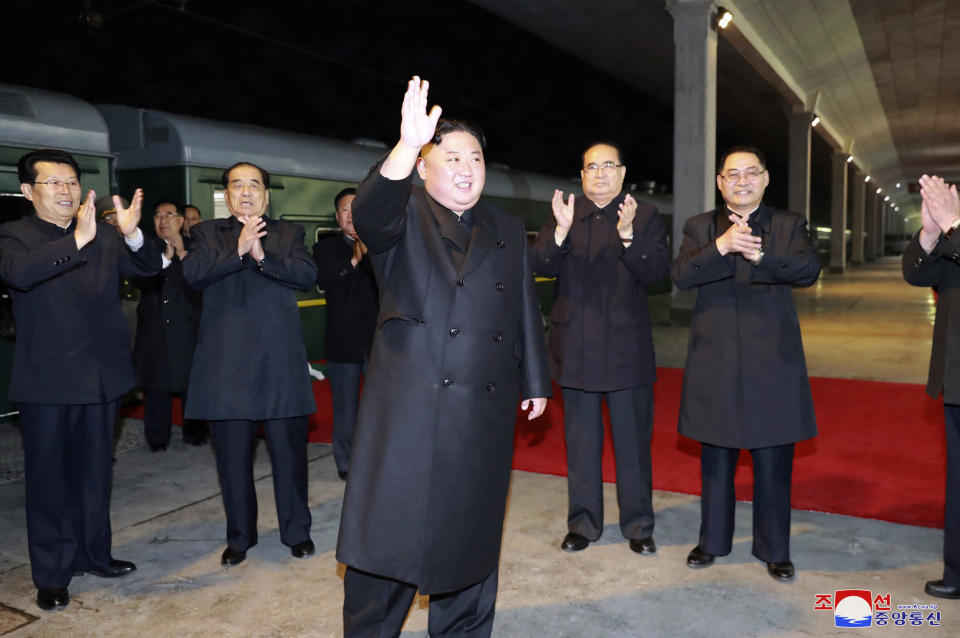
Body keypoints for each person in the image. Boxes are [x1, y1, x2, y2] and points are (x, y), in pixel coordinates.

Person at [336, 77, 551, 637]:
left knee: (470, 539)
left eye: (474, 157)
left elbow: (524, 304)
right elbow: (368, 212)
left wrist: (535, 377)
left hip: (482, 409)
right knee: (389, 542)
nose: (465, 167)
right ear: (425, 169)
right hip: (407, 409)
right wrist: (406, 146)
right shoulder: (402, 213)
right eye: (449, 156)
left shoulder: (503, 226)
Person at [0, 149, 161, 611]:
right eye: (54, 183)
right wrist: (77, 242)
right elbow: (18, 274)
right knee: (49, 481)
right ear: (29, 191)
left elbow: (149, 271)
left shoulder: (106, 235)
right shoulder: (14, 235)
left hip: (102, 379)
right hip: (47, 384)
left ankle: (95, 554)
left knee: (95, 475)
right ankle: (52, 573)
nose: (66, 190)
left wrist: (131, 236)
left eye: (71, 181)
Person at [672, 145, 820, 582]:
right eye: (732, 174)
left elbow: (808, 269)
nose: (741, 181)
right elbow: (681, 275)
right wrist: (720, 247)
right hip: (715, 356)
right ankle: (712, 541)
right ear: (720, 182)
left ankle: (775, 549)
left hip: (772, 358)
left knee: (774, 455)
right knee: (716, 454)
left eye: (750, 173)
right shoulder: (700, 226)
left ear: (765, 178)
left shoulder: (788, 224)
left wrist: (761, 256)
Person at [531, 142, 669, 555]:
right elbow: (540, 266)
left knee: (632, 445)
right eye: (592, 166)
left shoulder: (645, 215)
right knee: (581, 443)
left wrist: (628, 237)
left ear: (623, 173)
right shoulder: (565, 214)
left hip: (627, 351)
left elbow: (657, 272)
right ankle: (583, 523)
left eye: (609, 165)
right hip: (575, 349)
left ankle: (638, 524)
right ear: (582, 174)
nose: (600, 173)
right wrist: (558, 231)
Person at [182, 162, 317, 567]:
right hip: (226, 369)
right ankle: (240, 537)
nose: (245, 191)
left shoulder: (288, 233)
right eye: (236, 185)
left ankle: (297, 532)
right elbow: (192, 274)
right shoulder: (207, 233)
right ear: (226, 193)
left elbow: (306, 274)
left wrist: (262, 257)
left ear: (266, 194)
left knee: (289, 458)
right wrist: (238, 249)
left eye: (253, 184)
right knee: (233, 460)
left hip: (279, 366)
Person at [902, 174, 960, 599]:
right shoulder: (954, 220)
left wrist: (953, 225)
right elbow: (918, 275)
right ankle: (956, 572)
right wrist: (931, 232)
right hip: (956, 371)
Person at [312, 187, 378, 480]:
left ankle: (379, 460)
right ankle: (346, 463)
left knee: (382, 407)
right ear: (337, 217)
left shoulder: (382, 246)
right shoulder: (325, 249)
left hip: (379, 343)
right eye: (344, 210)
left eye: (356, 208)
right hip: (343, 343)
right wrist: (353, 261)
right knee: (346, 410)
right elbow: (325, 282)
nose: (351, 215)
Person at [133, 200, 206, 451]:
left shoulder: (197, 248)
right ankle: (157, 437)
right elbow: (141, 281)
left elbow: (201, 280)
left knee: (192, 384)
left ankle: (195, 432)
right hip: (155, 328)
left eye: (169, 215)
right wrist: (165, 257)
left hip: (189, 327)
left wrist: (181, 252)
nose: (163, 220)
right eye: (157, 215)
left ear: (181, 221)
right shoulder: (145, 248)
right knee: (156, 385)